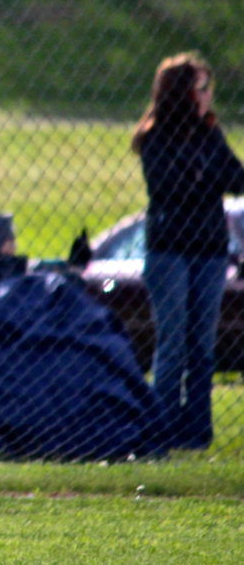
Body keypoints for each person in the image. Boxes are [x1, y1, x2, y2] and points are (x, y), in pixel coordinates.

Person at [131, 51, 244, 450]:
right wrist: (205, 177)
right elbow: (171, 186)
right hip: (170, 252)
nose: (209, 95)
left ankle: (196, 434)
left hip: (211, 251)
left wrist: (203, 175)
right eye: (201, 87)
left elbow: (236, 178)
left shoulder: (209, 134)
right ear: (182, 92)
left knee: (201, 346)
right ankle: (162, 431)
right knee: (173, 343)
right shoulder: (154, 136)